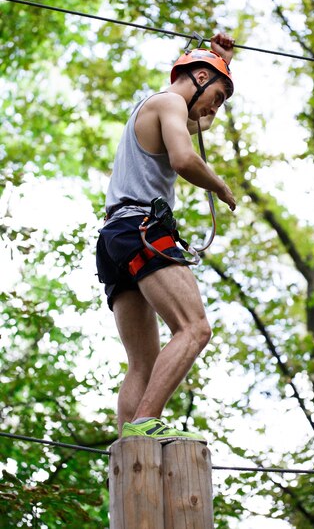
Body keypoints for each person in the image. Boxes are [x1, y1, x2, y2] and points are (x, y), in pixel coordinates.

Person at [96, 32, 236, 442]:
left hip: (115, 237)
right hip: (143, 229)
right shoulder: (169, 101)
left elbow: (202, 122)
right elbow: (184, 158)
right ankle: (146, 422)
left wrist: (224, 61)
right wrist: (221, 188)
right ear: (196, 75)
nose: (217, 106)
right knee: (194, 328)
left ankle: (128, 453)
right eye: (219, 93)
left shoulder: (163, 109)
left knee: (143, 363)